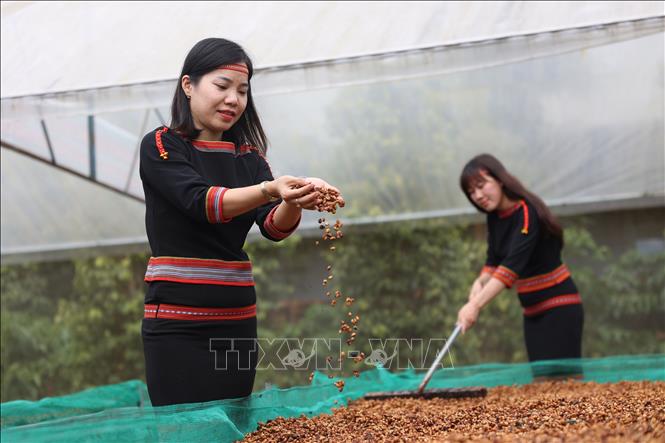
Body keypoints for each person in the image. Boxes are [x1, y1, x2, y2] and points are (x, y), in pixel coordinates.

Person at [139, 38, 343, 406]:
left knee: (232, 424)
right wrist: (271, 189)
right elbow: (202, 202)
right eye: (222, 86)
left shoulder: (249, 158)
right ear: (188, 85)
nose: (233, 99)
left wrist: (293, 198)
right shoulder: (161, 145)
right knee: (185, 429)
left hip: (236, 319)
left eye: (243, 91)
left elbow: (274, 228)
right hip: (176, 322)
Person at [456, 154, 584, 370]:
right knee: (542, 384)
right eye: (471, 192)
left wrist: (475, 306)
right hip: (531, 312)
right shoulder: (495, 217)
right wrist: (479, 282)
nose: (477, 195)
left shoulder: (527, 213)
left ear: (500, 180)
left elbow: (510, 269)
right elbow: (494, 261)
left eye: (481, 185)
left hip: (559, 308)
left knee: (566, 385)